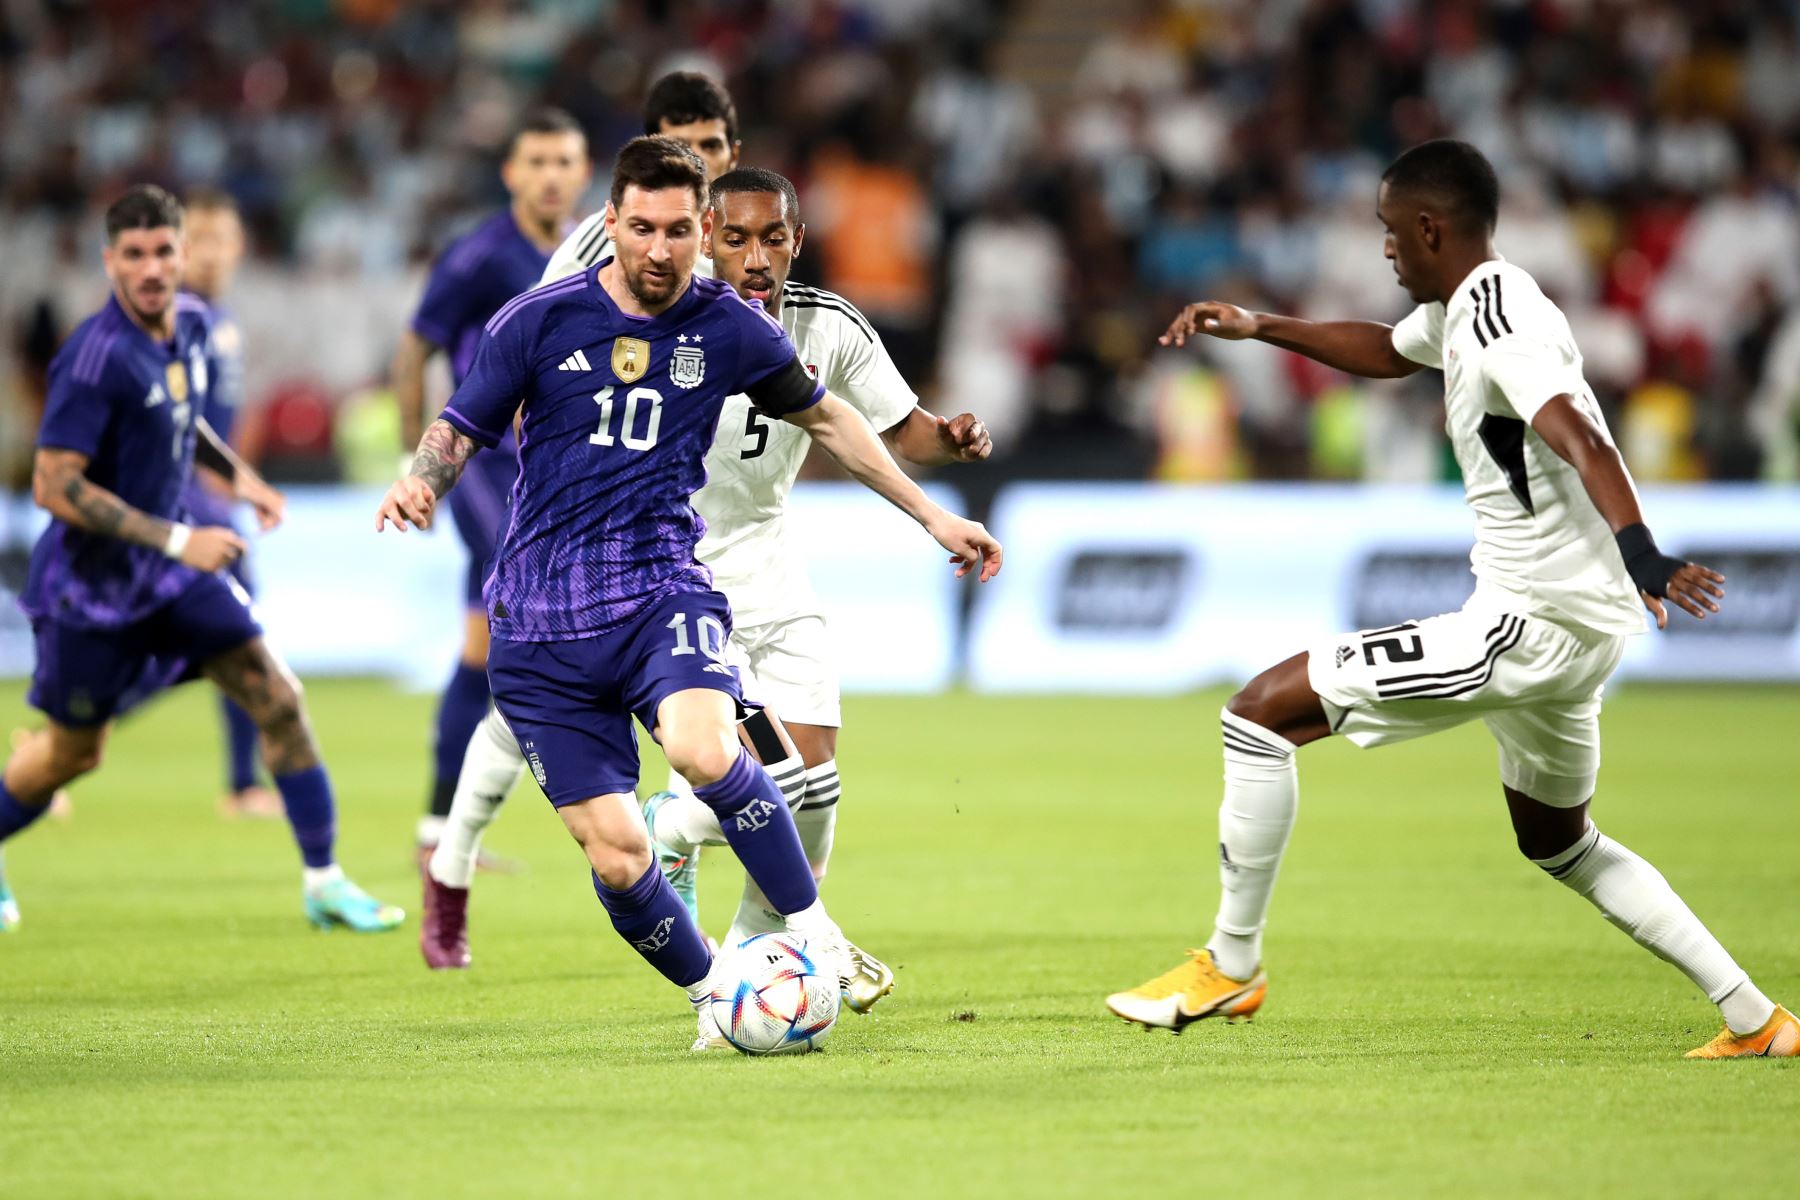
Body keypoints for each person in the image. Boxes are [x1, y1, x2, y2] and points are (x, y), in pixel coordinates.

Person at [1106, 139, 1796, 1060]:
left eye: (1392, 233)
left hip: (1527, 625)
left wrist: (1645, 553)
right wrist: (1260, 324)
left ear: (1431, 227)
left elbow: (1582, 436)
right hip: (1575, 634)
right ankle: (1757, 1019)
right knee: (1561, 844)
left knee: (1259, 713)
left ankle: (1231, 966)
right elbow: (1388, 353)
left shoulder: (1499, 319)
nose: (1385, 251)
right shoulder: (1474, 303)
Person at [376, 137, 1001, 1049]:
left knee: (712, 752)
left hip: (662, 591)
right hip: (543, 625)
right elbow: (459, 423)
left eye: (677, 231)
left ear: (695, 230)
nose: (660, 250)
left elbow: (830, 415)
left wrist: (934, 517)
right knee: (620, 855)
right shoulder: (537, 320)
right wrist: (422, 479)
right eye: (642, 229)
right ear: (613, 226)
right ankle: (718, 993)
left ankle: (815, 938)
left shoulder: (729, 324)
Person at [0, 185, 403, 933]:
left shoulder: (189, 325)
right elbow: (54, 486)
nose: (152, 268)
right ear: (109, 261)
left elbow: (183, 423)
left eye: (163, 251)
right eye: (134, 254)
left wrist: (240, 479)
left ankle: (325, 881)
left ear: (182, 254)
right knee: (71, 754)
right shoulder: (93, 360)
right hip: (93, 589)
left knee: (277, 694)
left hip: (176, 575)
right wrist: (180, 538)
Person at [390, 109, 591, 863]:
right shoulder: (479, 255)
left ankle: (442, 829)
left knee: (483, 645)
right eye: (535, 160)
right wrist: (421, 463)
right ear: (511, 172)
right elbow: (416, 348)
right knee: (533, 610)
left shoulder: (588, 252)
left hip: (552, 471)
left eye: (562, 161)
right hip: (484, 470)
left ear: (581, 173)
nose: (548, 175)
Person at [181, 188, 280, 819]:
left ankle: (243, 782)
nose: (212, 254)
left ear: (240, 247)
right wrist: (229, 483)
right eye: (198, 241)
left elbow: (224, 413)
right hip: (182, 497)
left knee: (224, 633)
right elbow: (177, 419)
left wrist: (236, 477)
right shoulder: (184, 316)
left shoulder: (221, 319)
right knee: (237, 629)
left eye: (223, 239)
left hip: (210, 494)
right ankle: (243, 784)